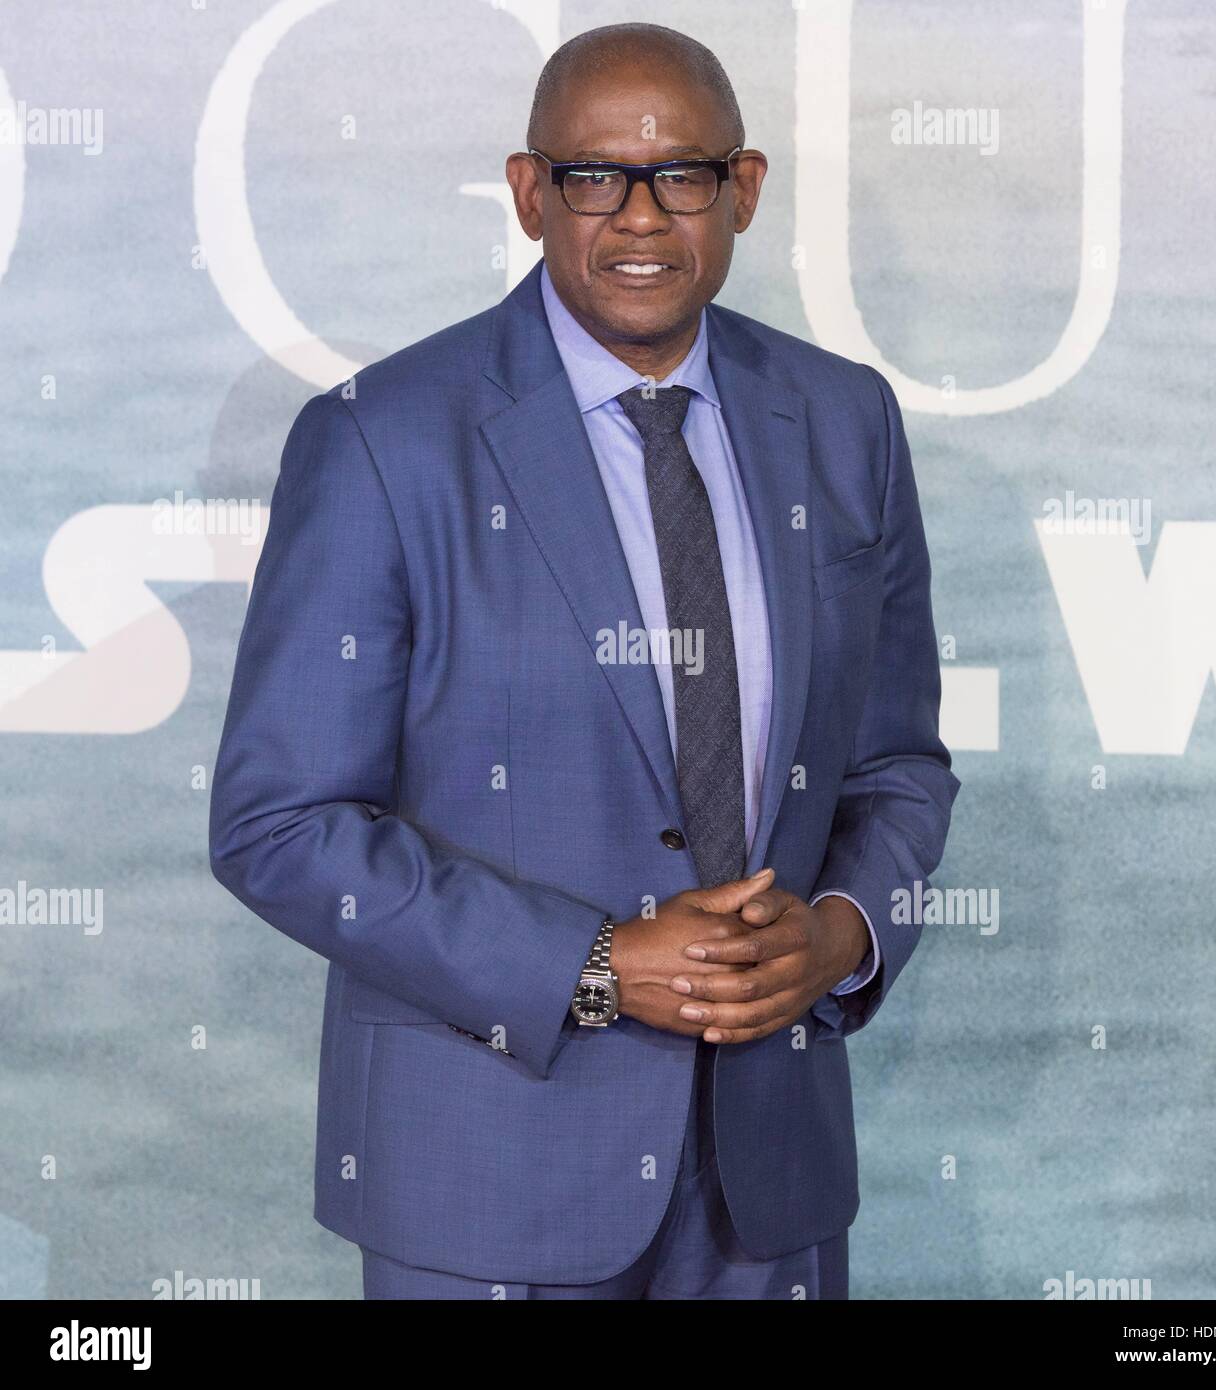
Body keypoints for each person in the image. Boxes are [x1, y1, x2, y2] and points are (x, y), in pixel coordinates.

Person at [209, 21, 959, 1300]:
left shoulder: (842, 423)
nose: (639, 219)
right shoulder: (382, 439)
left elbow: (897, 766)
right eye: (592, 177)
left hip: (768, 1188)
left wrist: (839, 938)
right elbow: (279, 824)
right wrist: (597, 963)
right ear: (527, 193)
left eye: (680, 176)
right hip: (486, 1178)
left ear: (744, 190)